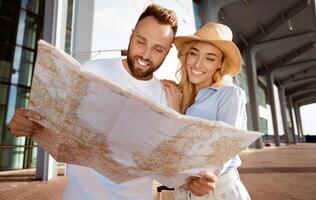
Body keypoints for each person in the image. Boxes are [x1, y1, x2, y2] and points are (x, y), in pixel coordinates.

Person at [7, 4, 217, 200]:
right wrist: (25, 124)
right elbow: (53, 121)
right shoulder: (93, 71)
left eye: (157, 49)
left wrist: (193, 182)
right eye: (140, 41)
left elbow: (168, 165)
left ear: (168, 51)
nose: (145, 54)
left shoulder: (167, 96)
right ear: (131, 35)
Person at [162, 22, 251, 200]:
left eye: (210, 58)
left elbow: (225, 149)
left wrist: (174, 113)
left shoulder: (229, 94)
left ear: (220, 64)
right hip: (182, 193)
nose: (197, 64)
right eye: (194, 54)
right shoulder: (175, 93)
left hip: (217, 191)